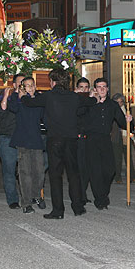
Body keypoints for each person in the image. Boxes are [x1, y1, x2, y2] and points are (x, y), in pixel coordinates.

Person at [20, 68, 96, 218]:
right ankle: (78, 207)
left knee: (56, 175)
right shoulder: (74, 97)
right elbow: (90, 101)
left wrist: (22, 96)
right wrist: (93, 96)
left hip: (55, 139)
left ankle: (58, 210)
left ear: (53, 81)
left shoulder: (49, 96)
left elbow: (30, 102)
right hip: (71, 139)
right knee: (73, 174)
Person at [82, 78, 132, 210]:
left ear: (108, 89)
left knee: (110, 170)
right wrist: (89, 100)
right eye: (99, 87)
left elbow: (123, 123)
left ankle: (103, 193)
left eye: (104, 86)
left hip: (105, 139)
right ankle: (100, 199)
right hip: (91, 140)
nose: (102, 89)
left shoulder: (112, 105)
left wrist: (129, 120)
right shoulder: (89, 104)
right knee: (95, 171)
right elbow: (80, 116)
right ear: (95, 89)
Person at [12, 76, 46, 213]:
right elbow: (13, 108)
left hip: (36, 139)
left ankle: (36, 195)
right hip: (23, 140)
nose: (30, 87)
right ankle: (26, 203)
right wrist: (19, 97)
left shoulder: (39, 99)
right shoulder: (18, 99)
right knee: (25, 172)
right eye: (27, 85)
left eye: (32, 85)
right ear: (22, 87)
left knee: (39, 171)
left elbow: (44, 114)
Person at [0, 74, 25, 209]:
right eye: (19, 83)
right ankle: (12, 199)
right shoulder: (5, 98)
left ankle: (29, 197)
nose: (21, 86)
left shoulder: (28, 99)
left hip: (24, 138)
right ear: (13, 85)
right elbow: (0, 114)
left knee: (27, 170)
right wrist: (6, 97)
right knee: (9, 170)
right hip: (7, 137)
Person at [75, 77, 92, 204]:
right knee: (79, 168)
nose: (84, 90)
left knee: (87, 168)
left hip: (90, 138)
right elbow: (79, 112)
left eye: (86, 87)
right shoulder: (75, 100)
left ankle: (83, 194)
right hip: (78, 139)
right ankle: (79, 195)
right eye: (81, 87)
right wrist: (88, 100)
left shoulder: (91, 101)